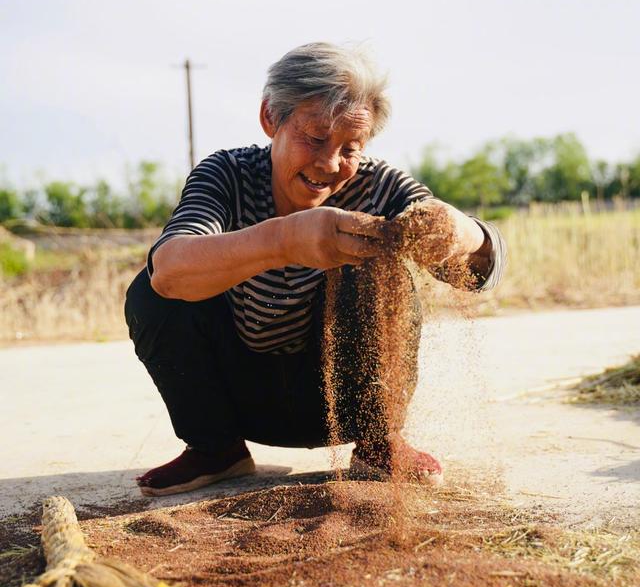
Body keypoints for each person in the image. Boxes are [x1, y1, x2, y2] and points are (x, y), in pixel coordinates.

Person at [125, 43, 505, 496]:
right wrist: (284, 241)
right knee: (150, 290)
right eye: (315, 137)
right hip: (243, 399)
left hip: (340, 402)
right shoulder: (226, 174)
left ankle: (379, 441)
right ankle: (215, 448)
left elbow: (480, 267)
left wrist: (463, 233)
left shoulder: (378, 186)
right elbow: (169, 268)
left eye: (350, 148)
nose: (329, 164)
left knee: (377, 268)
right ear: (271, 118)